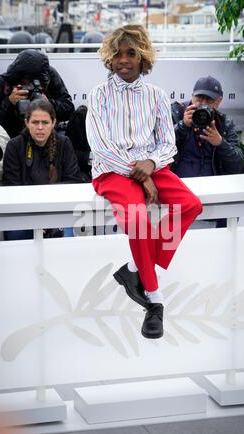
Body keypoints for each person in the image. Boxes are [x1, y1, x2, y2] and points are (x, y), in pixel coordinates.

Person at [86, 25, 202, 339]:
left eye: (131, 53)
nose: (124, 60)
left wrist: (150, 166)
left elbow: (168, 143)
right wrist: (139, 174)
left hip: (151, 165)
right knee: (138, 219)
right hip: (111, 170)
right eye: (118, 54)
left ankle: (136, 270)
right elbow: (100, 145)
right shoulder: (99, 94)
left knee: (191, 205)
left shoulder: (156, 95)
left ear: (143, 57)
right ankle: (154, 301)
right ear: (109, 57)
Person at [3, 99, 83, 240]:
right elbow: (11, 189)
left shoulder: (64, 143)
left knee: (67, 237)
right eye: (35, 122)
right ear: (27, 122)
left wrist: (49, 219)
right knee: (18, 236)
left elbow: (73, 183)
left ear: (53, 123)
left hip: (59, 212)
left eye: (45, 122)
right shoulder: (14, 145)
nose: (40, 127)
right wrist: (36, 220)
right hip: (23, 215)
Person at [0, 49, 74, 138]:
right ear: (19, 77)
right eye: (29, 82)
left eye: (38, 83)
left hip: (46, 134)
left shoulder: (49, 75)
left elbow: (69, 109)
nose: (33, 86)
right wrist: (9, 103)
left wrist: (49, 104)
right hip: (11, 136)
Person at [171, 75, 244, 178]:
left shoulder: (224, 122)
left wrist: (220, 142)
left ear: (219, 101)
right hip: (180, 181)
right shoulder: (177, 112)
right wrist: (182, 125)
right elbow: (160, 146)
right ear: (192, 96)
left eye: (209, 99)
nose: (203, 104)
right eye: (199, 98)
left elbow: (237, 165)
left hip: (213, 183)